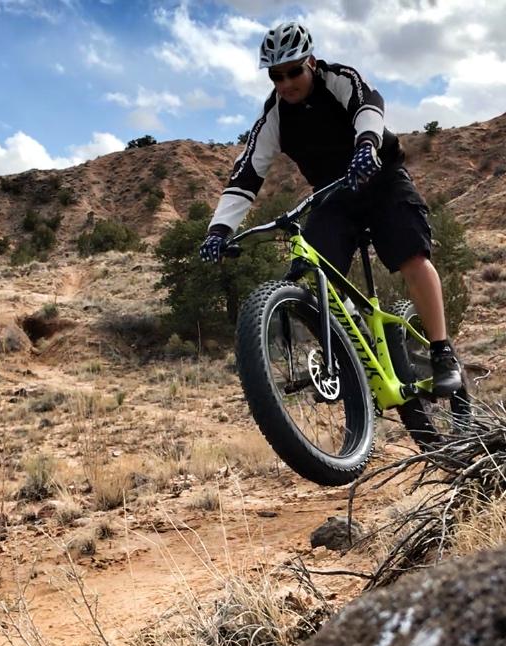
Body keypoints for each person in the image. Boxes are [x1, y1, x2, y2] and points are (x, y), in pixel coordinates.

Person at [198, 21, 462, 396]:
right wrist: (218, 230)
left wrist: (367, 146)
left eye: (293, 71)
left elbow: (368, 106)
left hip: (381, 179)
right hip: (334, 196)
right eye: (277, 76)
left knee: (411, 257)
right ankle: (353, 345)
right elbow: (246, 174)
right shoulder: (274, 115)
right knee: (311, 272)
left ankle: (441, 352)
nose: (286, 82)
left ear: (311, 63)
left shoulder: (338, 78)